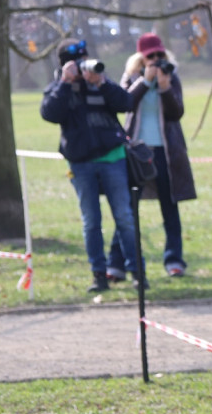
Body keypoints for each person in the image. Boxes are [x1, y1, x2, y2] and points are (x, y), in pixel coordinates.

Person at [40, 38, 143, 293]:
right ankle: (99, 275)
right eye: (76, 63)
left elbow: (127, 103)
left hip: (113, 158)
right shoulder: (59, 88)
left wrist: (103, 83)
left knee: (125, 217)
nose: (82, 67)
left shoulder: (100, 83)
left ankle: (137, 273)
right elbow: (50, 113)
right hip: (81, 163)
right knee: (91, 221)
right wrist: (65, 83)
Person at [108, 33, 196, 284]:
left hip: (166, 151)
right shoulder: (131, 79)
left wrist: (165, 87)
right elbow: (125, 104)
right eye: (151, 57)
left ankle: (174, 260)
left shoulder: (171, 77)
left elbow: (177, 112)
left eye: (160, 55)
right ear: (141, 58)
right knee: (127, 209)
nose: (157, 61)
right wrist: (145, 82)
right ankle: (117, 263)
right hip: (137, 152)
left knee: (170, 207)